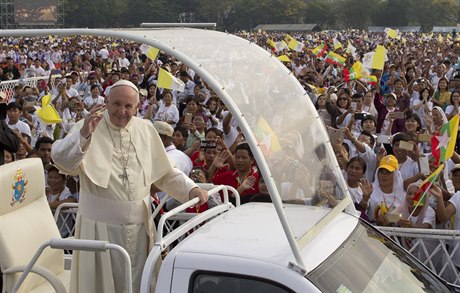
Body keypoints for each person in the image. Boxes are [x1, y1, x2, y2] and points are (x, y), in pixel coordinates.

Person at [51, 80, 208, 292]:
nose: (121, 111)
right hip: (99, 230)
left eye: (128, 106)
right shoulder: (88, 125)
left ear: (137, 107)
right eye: (116, 104)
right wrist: (84, 136)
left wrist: (191, 189)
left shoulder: (146, 129)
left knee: (137, 284)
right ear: (106, 102)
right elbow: (63, 162)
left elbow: (163, 173)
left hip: (139, 230)